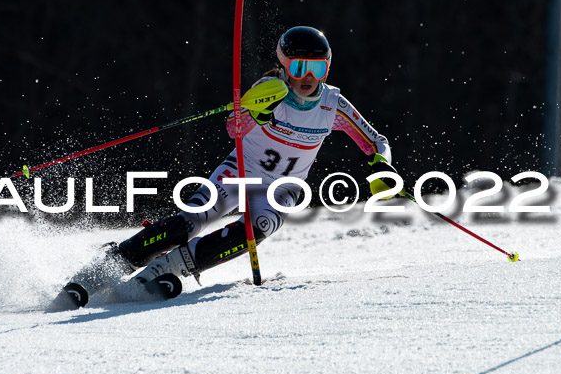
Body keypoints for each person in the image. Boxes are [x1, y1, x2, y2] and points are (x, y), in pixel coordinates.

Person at [65, 26, 395, 304]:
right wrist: (254, 114)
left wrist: (383, 168)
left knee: (257, 229)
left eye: (317, 69)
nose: (307, 78)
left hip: (282, 189)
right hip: (240, 171)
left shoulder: (332, 104)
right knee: (190, 220)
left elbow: (376, 142)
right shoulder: (270, 91)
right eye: (298, 69)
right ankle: (108, 265)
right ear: (282, 66)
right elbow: (233, 128)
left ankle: (173, 267)